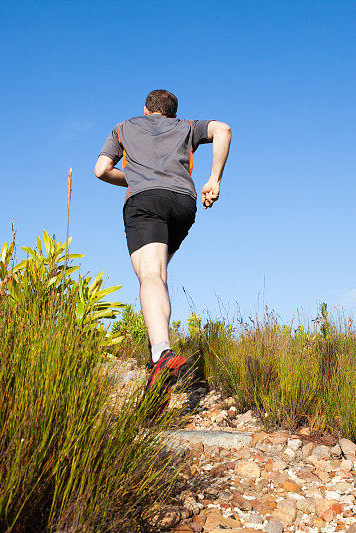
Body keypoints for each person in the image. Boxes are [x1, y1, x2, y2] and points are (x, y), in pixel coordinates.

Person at [94, 89, 231, 395]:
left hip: (146, 202)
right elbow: (223, 129)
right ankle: (157, 362)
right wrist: (214, 180)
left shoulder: (123, 127)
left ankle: (161, 355)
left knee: (151, 275)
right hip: (183, 202)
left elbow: (101, 169)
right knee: (159, 274)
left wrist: (137, 177)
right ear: (171, 112)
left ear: (146, 109)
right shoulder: (185, 126)